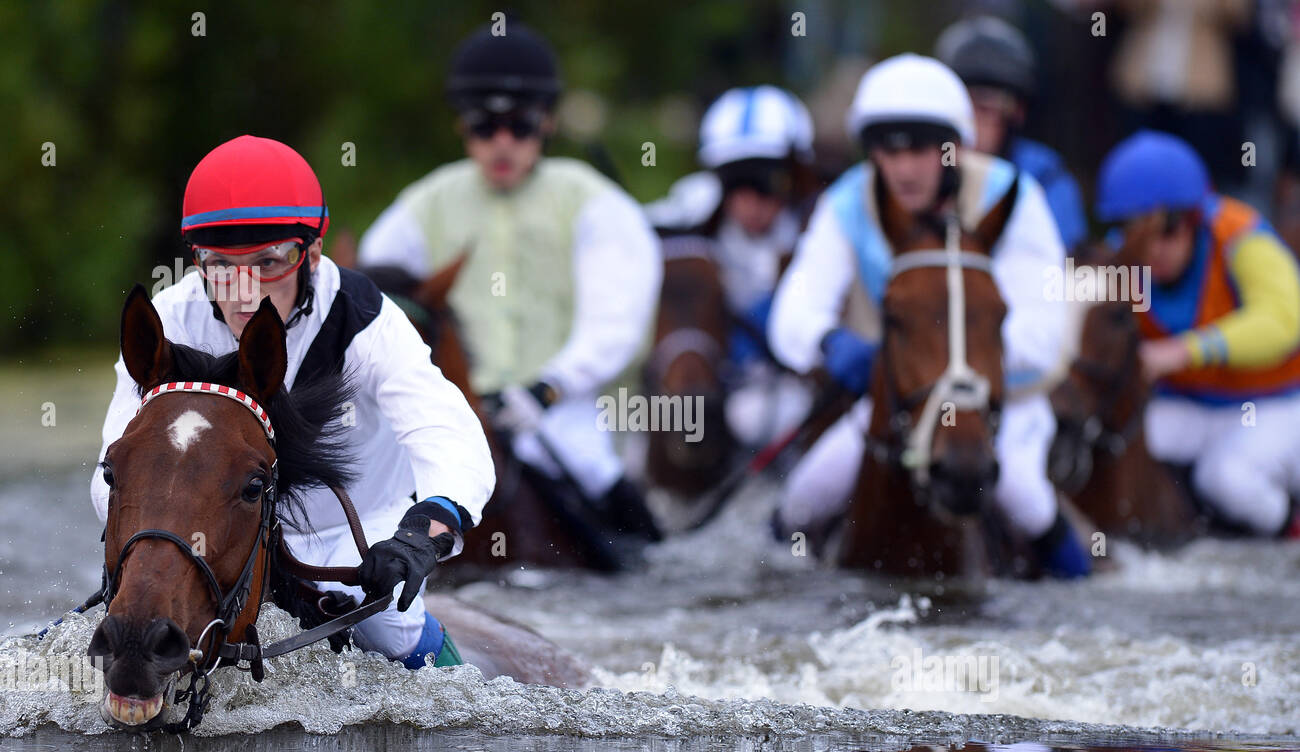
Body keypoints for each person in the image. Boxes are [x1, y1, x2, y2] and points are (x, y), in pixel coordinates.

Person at [92, 135, 495, 668]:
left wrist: (429, 527)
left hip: (353, 530)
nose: (243, 291)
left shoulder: (365, 317)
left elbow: (446, 429)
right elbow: (116, 465)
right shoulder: (167, 319)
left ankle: (463, 708)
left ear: (313, 253)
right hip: (215, 533)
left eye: (269, 262)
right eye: (219, 264)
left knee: (389, 625)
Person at [767, 53, 1090, 578]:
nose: (903, 169)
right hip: (899, 401)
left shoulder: (1012, 198)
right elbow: (794, 312)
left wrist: (953, 367)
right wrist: (831, 343)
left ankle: (1080, 594)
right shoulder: (847, 203)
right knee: (803, 498)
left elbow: (1041, 332)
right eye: (886, 151)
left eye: (920, 149)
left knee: (1025, 498)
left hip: (1002, 400)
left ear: (955, 148)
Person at [358, 22, 662, 539]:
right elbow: (368, 296)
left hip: (554, 410)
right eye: (485, 126)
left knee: (594, 468)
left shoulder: (594, 201)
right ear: (463, 128)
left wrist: (549, 387)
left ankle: (649, 564)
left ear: (546, 123)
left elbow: (616, 319)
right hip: (450, 407)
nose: (502, 143)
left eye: (518, 127)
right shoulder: (422, 203)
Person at [1096, 129, 1300, 536]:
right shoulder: (1116, 262)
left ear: (1194, 219)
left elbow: (1285, 320)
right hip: (1187, 407)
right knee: (1115, 450)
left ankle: (1288, 539)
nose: (1153, 250)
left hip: (1277, 406)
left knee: (1225, 478)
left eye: (1167, 231)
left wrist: (1187, 351)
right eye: (1138, 234)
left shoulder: (1239, 236)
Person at [644, 85, 818, 446]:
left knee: (758, 418)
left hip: (787, 388)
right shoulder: (691, 210)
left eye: (766, 182)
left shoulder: (818, 227)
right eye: (736, 183)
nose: (750, 200)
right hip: (707, 380)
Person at [936, 14, 1089, 253]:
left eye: (985, 106)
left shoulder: (1043, 176)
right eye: (959, 106)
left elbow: (1061, 258)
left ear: (1017, 112)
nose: (970, 121)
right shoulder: (923, 167)